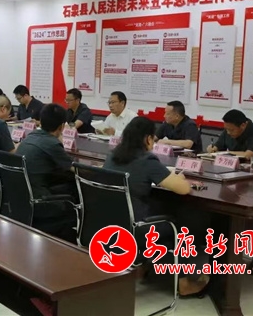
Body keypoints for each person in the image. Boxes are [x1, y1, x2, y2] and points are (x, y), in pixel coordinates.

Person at [102, 117, 209, 296]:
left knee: (159, 206)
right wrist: (179, 178)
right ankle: (184, 283)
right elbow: (183, 189)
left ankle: (142, 267)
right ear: (147, 139)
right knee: (184, 221)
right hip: (137, 227)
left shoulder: (112, 156)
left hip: (111, 222)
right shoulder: (147, 160)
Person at [16, 103, 77, 242]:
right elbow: (75, 169)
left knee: (66, 185)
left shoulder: (31, 136)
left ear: (41, 122)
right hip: (38, 200)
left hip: (21, 197)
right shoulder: (51, 143)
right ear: (62, 126)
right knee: (74, 191)